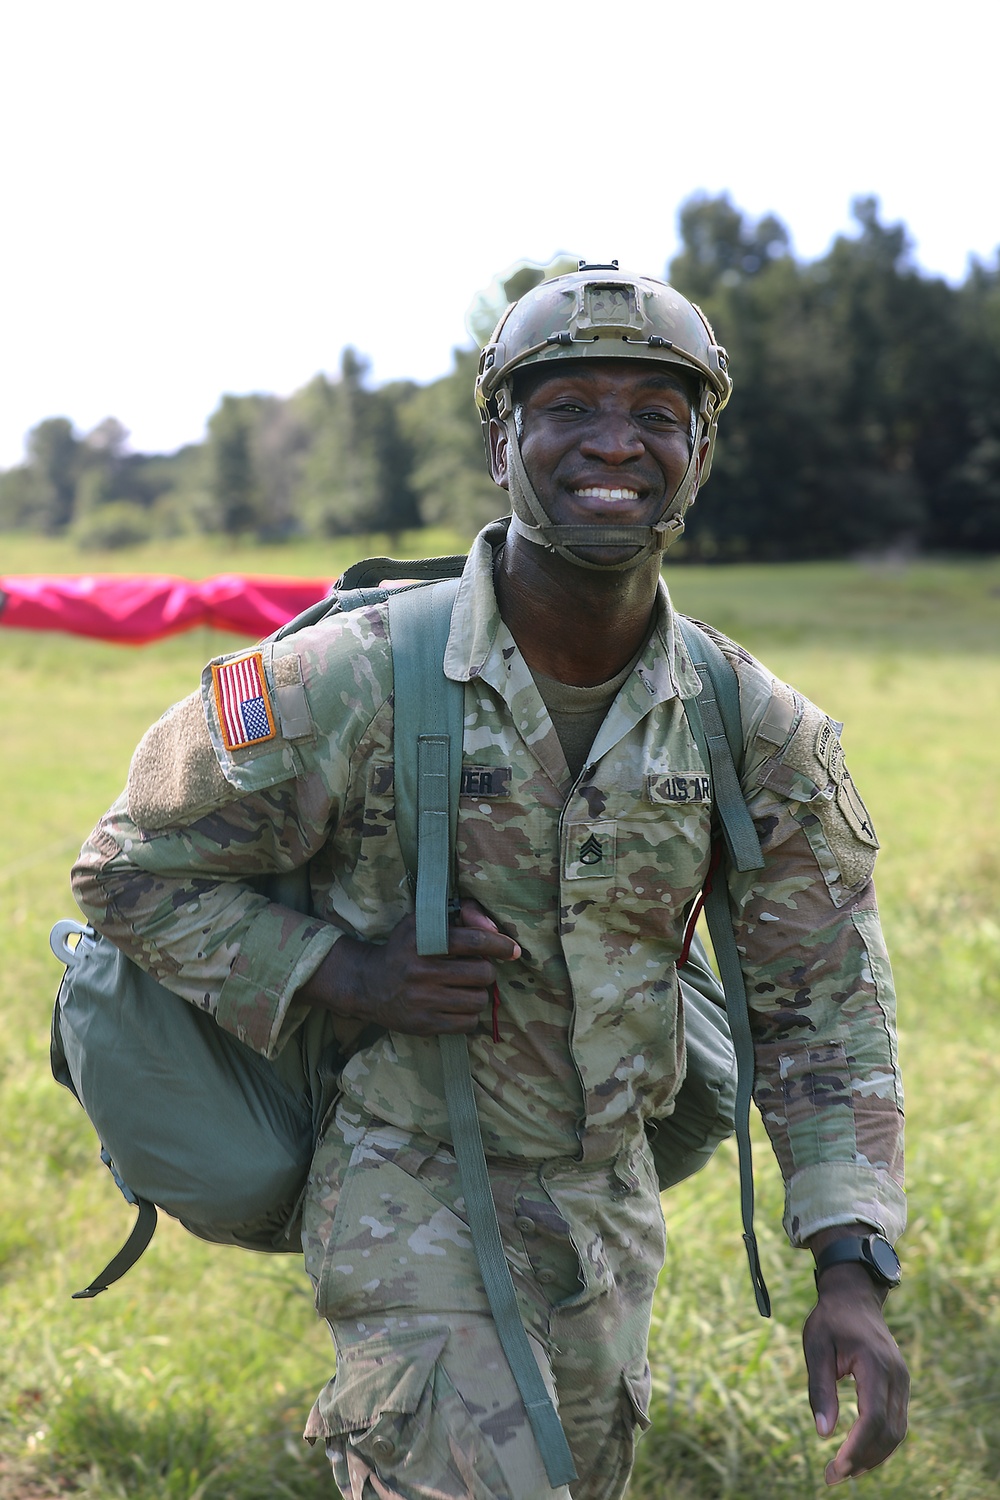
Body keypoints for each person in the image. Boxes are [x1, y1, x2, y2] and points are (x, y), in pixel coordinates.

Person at [72, 263, 908, 1500]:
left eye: (655, 414)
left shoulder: (751, 726)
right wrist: (345, 974)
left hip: (607, 1216)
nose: (613, 442)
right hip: (404, 1185)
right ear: (502, 436)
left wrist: (850, 1272)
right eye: (568, 403)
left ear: (700, 449)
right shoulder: (346, 680)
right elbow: (128, 870)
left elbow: (821, 1002)